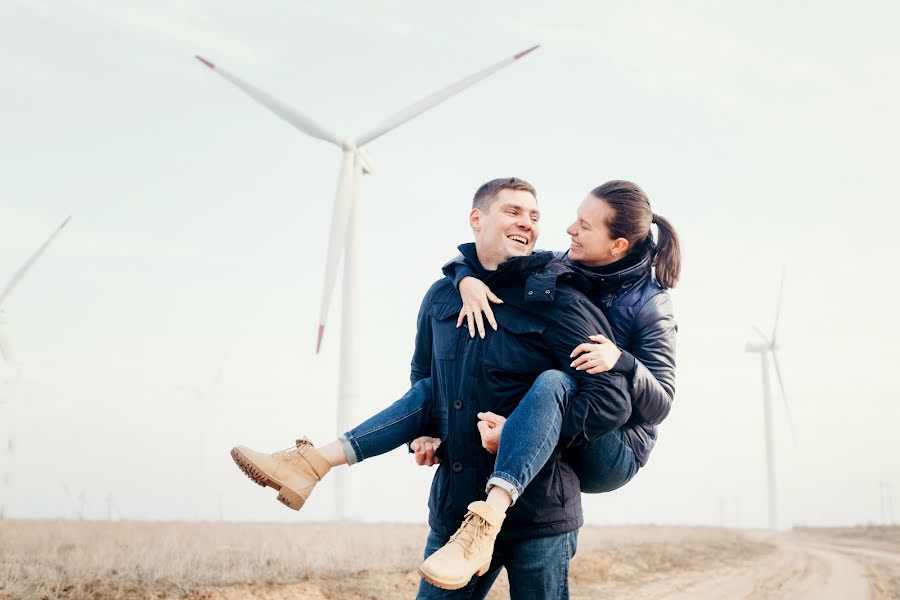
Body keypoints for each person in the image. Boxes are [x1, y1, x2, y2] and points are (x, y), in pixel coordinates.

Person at [230, 177, 632, 598]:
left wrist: (518, 432)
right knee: (428, 391)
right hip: (457, 511)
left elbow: (609, 400)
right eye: (513, 211)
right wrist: (424, 433)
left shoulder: (558, 298)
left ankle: (312, 463)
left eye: (534, 216)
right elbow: (424, 376)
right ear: (477, 219)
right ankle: (310, 463)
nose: (527, 223)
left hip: (539, 514)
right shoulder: (442, 297)